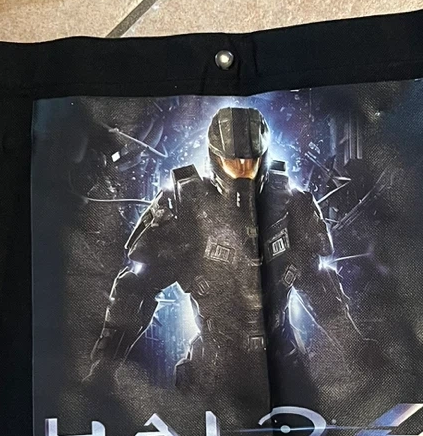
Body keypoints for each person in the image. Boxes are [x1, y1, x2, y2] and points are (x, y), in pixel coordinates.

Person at [88, 105, 364, 396]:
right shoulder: (186, 207)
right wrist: (105, 367)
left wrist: (355, 347)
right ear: (215, 159)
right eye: (233, 163)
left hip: (283, 360)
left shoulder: (291, 205)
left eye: (250, 163)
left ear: (263, 159)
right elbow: (136, 288)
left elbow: (319, 284)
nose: (242, 172)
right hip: (212, 366)